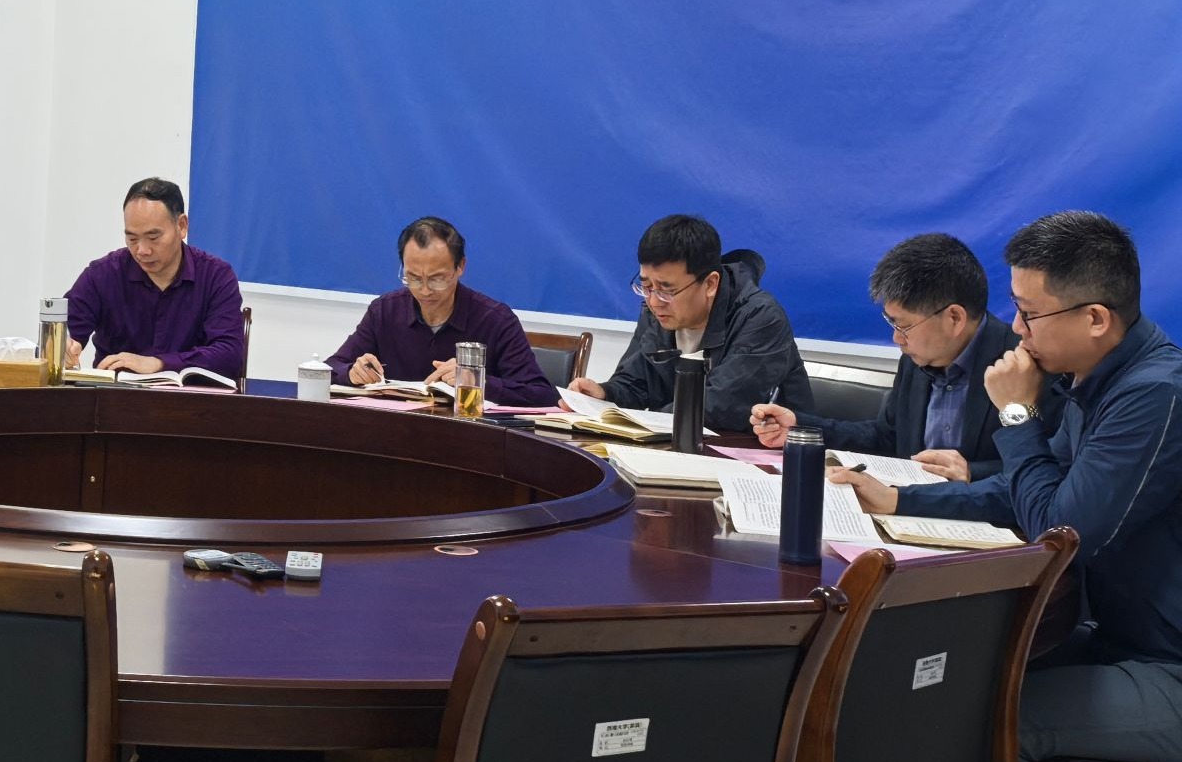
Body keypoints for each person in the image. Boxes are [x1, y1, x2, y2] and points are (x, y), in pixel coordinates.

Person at [829, 212, 1182, 762]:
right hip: (1121, 639)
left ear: (1095, 318)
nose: (1017, 329)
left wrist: (1017, 413)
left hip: (1167, 663)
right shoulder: (1096, 380)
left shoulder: (1154, 394)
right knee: (947, 686)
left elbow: (1061, 529)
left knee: (988, 722)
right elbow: (1024, 489)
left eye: (1029, 313)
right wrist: (900, 499)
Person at [750, 233, 1031, 481]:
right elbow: (886, 437)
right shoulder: (917, 357)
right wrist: (801, 429)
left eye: (903, 326)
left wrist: (972, 472)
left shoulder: (1023, 364)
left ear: (954, 318)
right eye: (892, 324)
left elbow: (1046, 468)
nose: (897, 338)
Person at [570, 214, 812, 433]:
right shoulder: (657, 310)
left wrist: (641, 421)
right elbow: (637, 382)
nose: (654, 301)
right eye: (646, 286)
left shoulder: (760, 317)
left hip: (763, 454)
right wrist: (605, 393)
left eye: (667, 290)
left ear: (710, 284)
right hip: (681, 445)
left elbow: (720, 406)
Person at [325, 216, 558, 407]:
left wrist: (476, 381)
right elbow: (329, 369)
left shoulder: (496, 320)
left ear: (460, 267)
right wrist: (352, 373)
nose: (425, 290)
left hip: (472, 440)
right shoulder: (384, 311)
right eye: (413, 278)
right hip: (396, 435)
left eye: (437, 279)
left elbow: (542, 395)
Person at [65, 178, 246, 378]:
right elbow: (64, 328)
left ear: (182, 226)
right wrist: (63, 346)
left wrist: (159, 364)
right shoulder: (103, 275)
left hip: (189, 396)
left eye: (153, 238)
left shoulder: (215, 277)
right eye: (132, 239)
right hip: (116, 394)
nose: (142, 250)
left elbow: (229, 356)